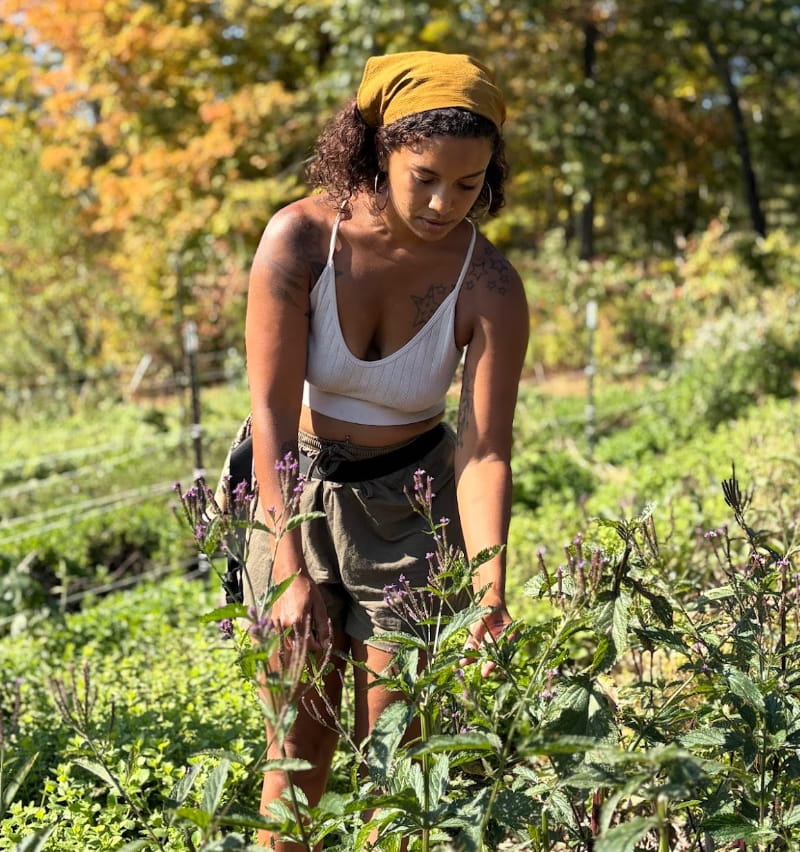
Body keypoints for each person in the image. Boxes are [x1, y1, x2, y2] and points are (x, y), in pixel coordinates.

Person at [242, 50, 529, 850]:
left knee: (394, 762)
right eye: (425, 176)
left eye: (468, 184)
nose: (444, 203)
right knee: (295, 753)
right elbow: (268, 412)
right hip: (292, 495)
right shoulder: (300, 241)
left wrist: (491, 591)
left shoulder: (489, 284)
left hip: (411, 511)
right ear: (379, 150)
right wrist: (290, 567)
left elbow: (484, 452)